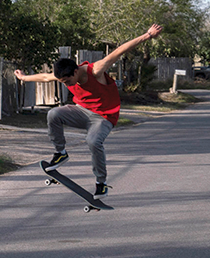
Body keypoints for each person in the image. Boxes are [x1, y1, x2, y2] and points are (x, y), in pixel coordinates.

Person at [16, 24, 161, 198]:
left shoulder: (97, 69)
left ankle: (101, 183)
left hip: (104, 117)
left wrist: (147, 36)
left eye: (68, 81)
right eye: (62, 82)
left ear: (76, 71)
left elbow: (120, 51)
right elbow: (46, 77)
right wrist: (24, 77)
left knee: (93, 142)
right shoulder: (65, 74)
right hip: (81, 111)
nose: (66, 84)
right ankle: (60, 153)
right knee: (53, 113)